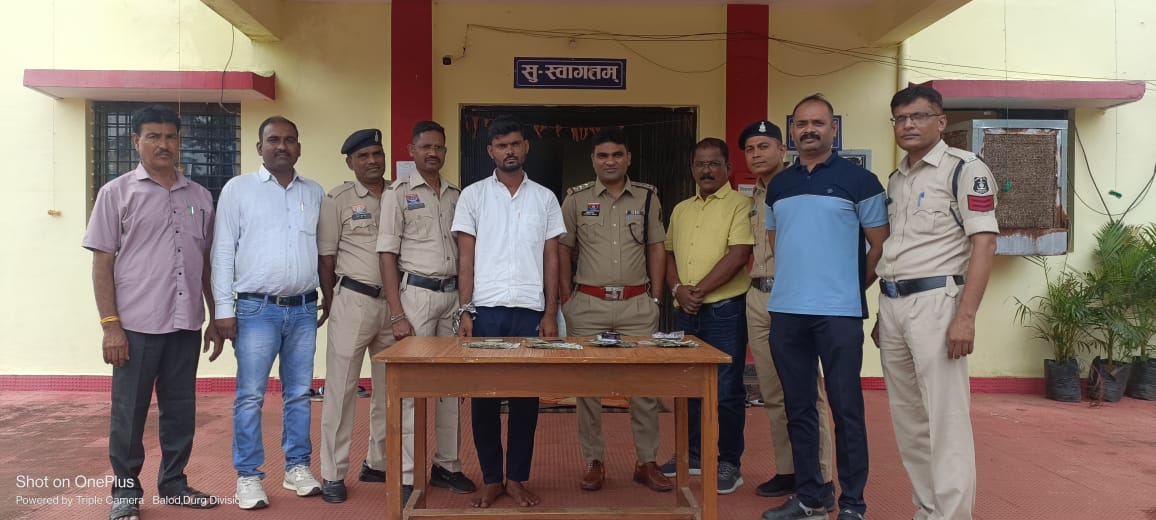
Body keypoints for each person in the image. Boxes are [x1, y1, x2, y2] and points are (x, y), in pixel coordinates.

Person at [83, 104, 221, 520]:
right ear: (136, 141)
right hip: (136, 327)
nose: (164, 144)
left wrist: (215, 317)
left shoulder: (200, 196)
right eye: (154, 136)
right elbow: (102, 264)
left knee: (180, 411)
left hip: (185, 324)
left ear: (180, 141)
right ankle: (125, 491)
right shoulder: (116, 193)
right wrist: (111, 327)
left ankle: (174, 483)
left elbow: (206, 263)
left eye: (171, 137)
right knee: (129, 414)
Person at [760, 94, 889, 520]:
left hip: (838, 313)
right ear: (792, 132)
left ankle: (853, 503)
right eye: (801, 124)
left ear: (833, 129)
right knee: (798, 409)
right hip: (787, 312)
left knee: (846, 408)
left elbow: (880, 246)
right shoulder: (779, 185)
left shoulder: (861, 181)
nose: (809, 130)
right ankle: (811, 496)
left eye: (817, 123)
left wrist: (851, 288)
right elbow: (779, 244)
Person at [876, 85, 997, 520]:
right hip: (893, 304)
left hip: (937, 303)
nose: (908, 125)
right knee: (909, 419)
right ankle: (928, 510)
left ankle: (952, 515)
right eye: (901, 118)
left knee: (946, 420)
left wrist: (966, 316)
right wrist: (883, 310)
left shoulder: (965, 169)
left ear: (941, 121)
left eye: (919, 116)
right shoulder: (897, 179)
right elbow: (896, 249)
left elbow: (984, 243)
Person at [450, 115, 565, 509]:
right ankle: (491, 479)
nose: (509, 151)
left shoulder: (545, 198)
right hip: (486, 310)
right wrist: (465, 311)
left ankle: (516, 478)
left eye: (515, 143)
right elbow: (466, 261)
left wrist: (550, 313)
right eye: (501, 146)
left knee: (525, 400)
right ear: (490, 152)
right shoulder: (473, 196)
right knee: (483, 398)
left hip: (530, 311)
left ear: (526, 147)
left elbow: (552, 260)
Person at [212, 116, 325, 510]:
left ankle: (297, 467)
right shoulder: (238, 189)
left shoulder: (313, 192)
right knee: (250, 396)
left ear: (299, 147)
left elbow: (322, 250)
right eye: (273, 140)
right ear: (259, 147)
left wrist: (325, 296)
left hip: (304, 308)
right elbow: (222, 251)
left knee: (299, 394)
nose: (282, 146)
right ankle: (248, 475)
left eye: (289, 140)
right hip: (255, 309)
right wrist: (223, 309)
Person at [558, 129, 673, 494]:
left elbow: (656, 247)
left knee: (644, 387)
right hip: (587, 305)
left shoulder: (648, 196)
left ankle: (646, 461)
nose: (610, 161)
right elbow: (562, 249)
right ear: (593, 160)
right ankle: (593, 461)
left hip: (636, 304)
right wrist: (566, 299)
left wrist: (656, 298)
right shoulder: (575, 199)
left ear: (628, 158)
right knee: (587, 388)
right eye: (603, 155)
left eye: (617, 155)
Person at [376, 120, 477, 501]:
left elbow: (466, 254)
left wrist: (466, 306)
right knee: (409, 388)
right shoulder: (398, 194)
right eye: (426, 147)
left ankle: (448, 464)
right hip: (416, 296)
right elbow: (387, 254)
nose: (433, 153)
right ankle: (406, 473)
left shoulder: (456, 195)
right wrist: (397, 314)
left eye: (439, 147)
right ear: (412, 150)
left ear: (445, 151)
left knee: (451, 385)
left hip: (452, 297)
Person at [739, 119, 836, 509]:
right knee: (773, 392)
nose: (756, 154)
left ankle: (822, 478)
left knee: (807, 393)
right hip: (758, 296)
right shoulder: (754, 195)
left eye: (764, 146)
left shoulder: (802, 186)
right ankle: (789, 470)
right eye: (750, 149)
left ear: (783, 150)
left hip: (794, 296)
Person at [660, 137, 754, 495]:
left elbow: (739, 253)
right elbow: (668, 254)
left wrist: (697, 291)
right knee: (687, 386)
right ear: (692, 169)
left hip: (725, 310)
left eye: (714, 163)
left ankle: (729, 462)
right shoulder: (681, 209)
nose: (706, 170)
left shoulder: (740, 205)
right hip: (686, 311)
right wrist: (678, 290)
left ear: (728, 167)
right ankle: (692, 455)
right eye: (700, 164)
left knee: (727, 389)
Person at [316, 128, 394, 504]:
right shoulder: (337, 199)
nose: (373, 161)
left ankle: (378, 462)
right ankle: (333, 473)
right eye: (363, 156)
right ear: (350, 162)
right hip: (353, 301)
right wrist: (333, 301)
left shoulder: (400, 194)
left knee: (390, 389)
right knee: (342, 390)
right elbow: (326, 257)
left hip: (395, 306)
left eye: (377, 153)